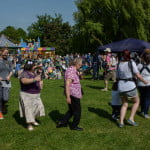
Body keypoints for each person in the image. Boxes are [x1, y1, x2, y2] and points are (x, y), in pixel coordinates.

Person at [117, 50, 148, 127]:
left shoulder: (119, 64)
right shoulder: (131, 62)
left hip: (120, 87)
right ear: (129, 55)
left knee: (124, 104)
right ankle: (131, 118)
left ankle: (121, 122)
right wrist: (144, 81)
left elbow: (117, 77)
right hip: (130, 86)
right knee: (136, 102)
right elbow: (137, 75)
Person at [56, 57, 83, 131]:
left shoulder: (72, 69)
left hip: (74, 93)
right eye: (80, 64)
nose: (80, 66)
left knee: (71, 110)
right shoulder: (71, 71)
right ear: (77, 64)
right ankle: (74, 126)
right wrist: (68, 97)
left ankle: (62, 122)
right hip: (73, 94)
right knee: (77, 111)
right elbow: (67, 84)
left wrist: (79, 74)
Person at [19, 60, 45, 131]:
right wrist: (34, 79)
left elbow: (39, 80)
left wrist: (39, 74)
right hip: (27, 94)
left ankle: (32, 119)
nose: (34, 67)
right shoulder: (24, 73)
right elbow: (23, 81)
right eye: (33, 66)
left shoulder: (33, 73)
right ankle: (29, 124)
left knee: (38, 108)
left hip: (36, 94)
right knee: (28, 110)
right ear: (30, 67)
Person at [0, 48, 13, 119]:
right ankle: (0, 113)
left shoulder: (9, 61)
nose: (6, 54)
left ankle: (3, 105)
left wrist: (9, 75)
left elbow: (11, 70)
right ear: (1, 52)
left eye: (7, 53)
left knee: (5, 98)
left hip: (7, 82)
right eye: (5, 53)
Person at [137, 49, 150, 118]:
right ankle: (145, 113)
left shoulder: (139, 65)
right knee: (147, 98)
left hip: (140, 84)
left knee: (142, 97)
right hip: (148, 84)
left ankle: (142, 110)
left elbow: (135, 74)